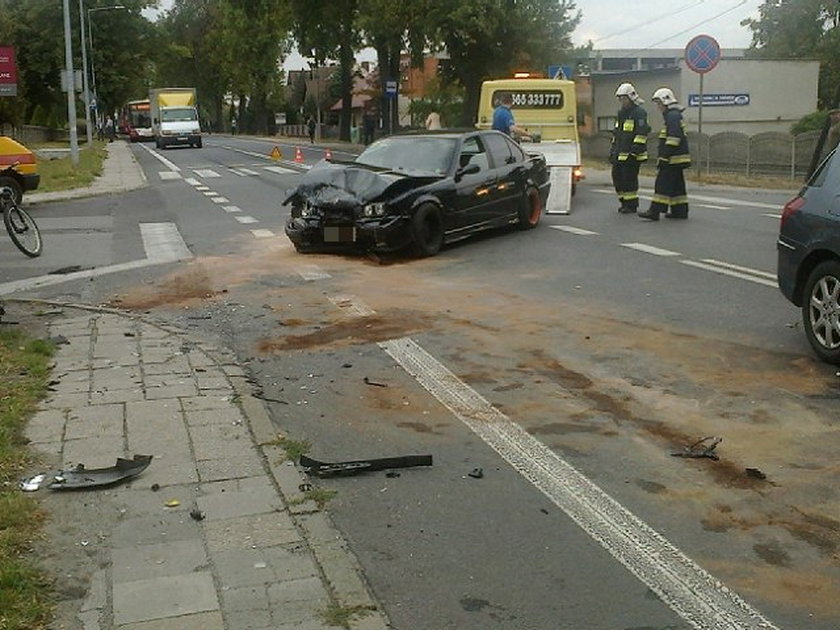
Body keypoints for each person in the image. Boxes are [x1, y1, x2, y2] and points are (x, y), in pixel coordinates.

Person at [638, 87, 691, 221]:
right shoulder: (674, 115)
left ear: (665, 102)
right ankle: (680, 211)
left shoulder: (672, 116)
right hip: (678, 158)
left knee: (662, 183)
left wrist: (664, 156)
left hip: (672, 159)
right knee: (677, 186)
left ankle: (654, 211)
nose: (658, 107)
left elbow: (674, 138)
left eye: (659, 103)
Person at [610, 83, 650, 214]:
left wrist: (635, 151)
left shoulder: (639, 113)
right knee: (617, 177)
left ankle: (631, 204)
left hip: (633, 154)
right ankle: (623, 202)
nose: (622, 101)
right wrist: (613, 151)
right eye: (620, 99)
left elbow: (641, 133)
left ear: (631, 98)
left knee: (629, 180)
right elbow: (617, 133)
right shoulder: (621, 113)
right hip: (620, 153)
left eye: (624, 98)